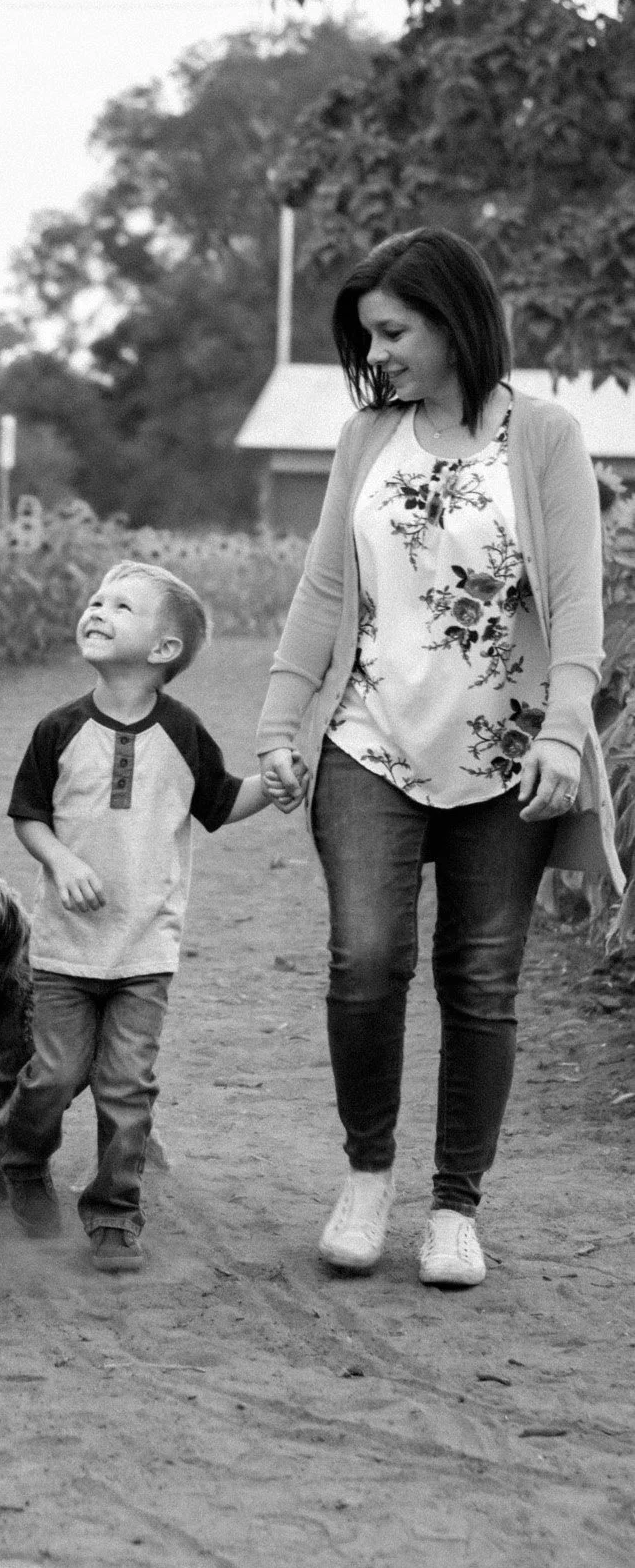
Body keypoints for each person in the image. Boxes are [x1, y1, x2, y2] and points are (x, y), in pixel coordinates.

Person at [256, 228, 624, 1290]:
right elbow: (325, 591)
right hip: (368, 736)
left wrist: (564, 726)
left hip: (508, 756)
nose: (380, 353)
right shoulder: (367, 437)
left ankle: (455, 1204)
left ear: (454, 318)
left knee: (482, 978)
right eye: (371, 334)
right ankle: (367, 1175)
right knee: (365, 961)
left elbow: (577, 606)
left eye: (395, 330)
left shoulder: (546, 437)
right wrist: (281, 725)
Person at [0, 561, 277, 1273]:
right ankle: (22, 1159)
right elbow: (27, 816)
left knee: (126, 1087)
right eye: (95, 599)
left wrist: (271, 789)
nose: (97, 609)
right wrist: (61, 862)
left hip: (146, 947)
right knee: (54, 1077)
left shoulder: (181, 732)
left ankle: (114, 1212)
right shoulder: (56, 729)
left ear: (162, 652)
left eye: (121, 606)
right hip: (64, 947)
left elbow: (218, 803)